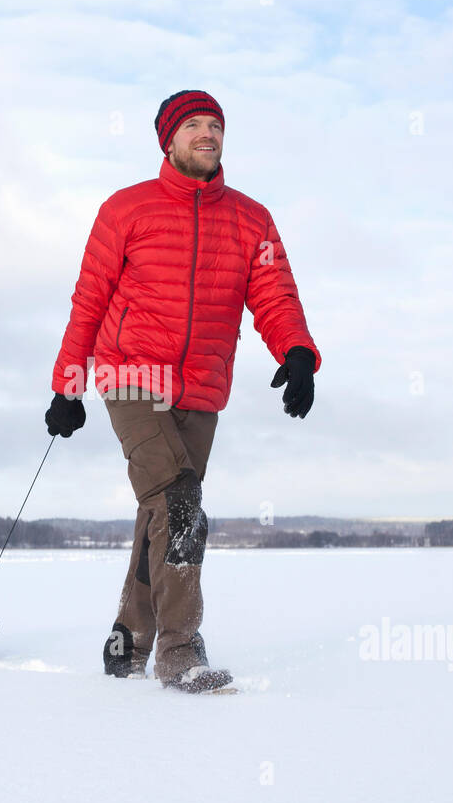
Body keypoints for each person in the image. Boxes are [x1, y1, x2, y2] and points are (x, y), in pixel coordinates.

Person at [45, 89, 321, 693]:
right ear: (167, 140)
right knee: (180, 502)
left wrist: (297, 352)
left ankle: (129, 635)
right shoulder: (126, 209)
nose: (207, 134)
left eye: (215, 126)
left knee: (162, 513)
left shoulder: (252, 218)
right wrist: (69, 386)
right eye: (193, 125)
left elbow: (274, 295)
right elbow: (88, 299)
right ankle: (178, 648)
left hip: (203, 384)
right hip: (131, 373)